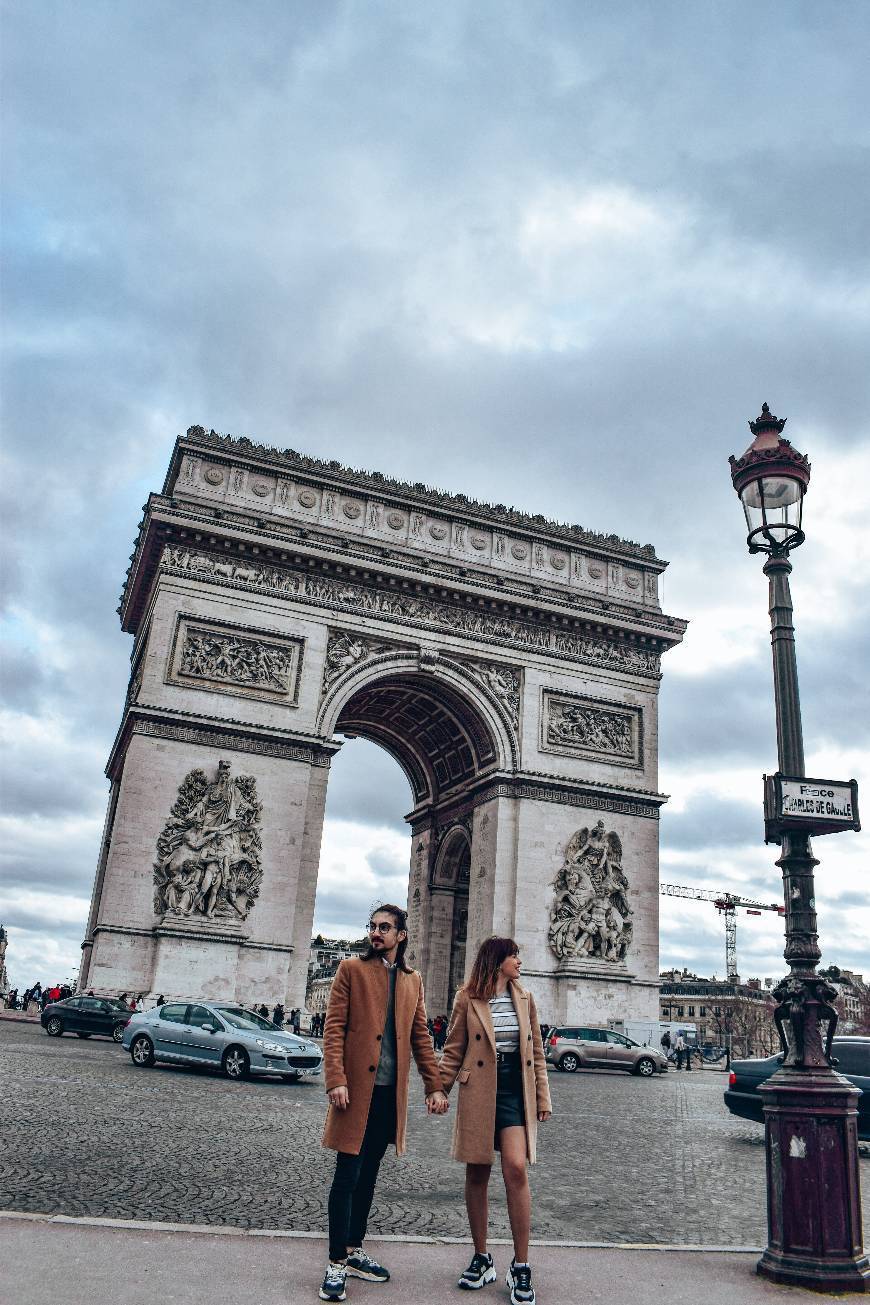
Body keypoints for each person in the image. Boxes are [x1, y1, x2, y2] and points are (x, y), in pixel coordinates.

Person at [319, 903, 448, 1303]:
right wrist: (336, 1080)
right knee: (347, 1175)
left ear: (401, 935)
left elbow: (421, 1039)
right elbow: (334, 1029)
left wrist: (435, 1085)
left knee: (369, 1175)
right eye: (373, 926)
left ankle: (355, 1250)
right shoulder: (350, 971)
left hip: (389, 1095)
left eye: (385, 927)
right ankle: (335, 1263)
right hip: (355, 1092)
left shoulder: (413, 981)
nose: (377, 933)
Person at [439, 937, 551, 1305]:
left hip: (514, 1093)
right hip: (479, 1091)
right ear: (497, 960)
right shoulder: (466, 998)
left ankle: (521, 1264)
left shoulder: (526, 998)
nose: (519, 960)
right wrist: (439, 1088)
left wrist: (542, 1098)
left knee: (516, 1169)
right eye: (514, 955)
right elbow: (454, 1047)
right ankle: (482, 1256)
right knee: (477, 1173)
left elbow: (536, 1051)